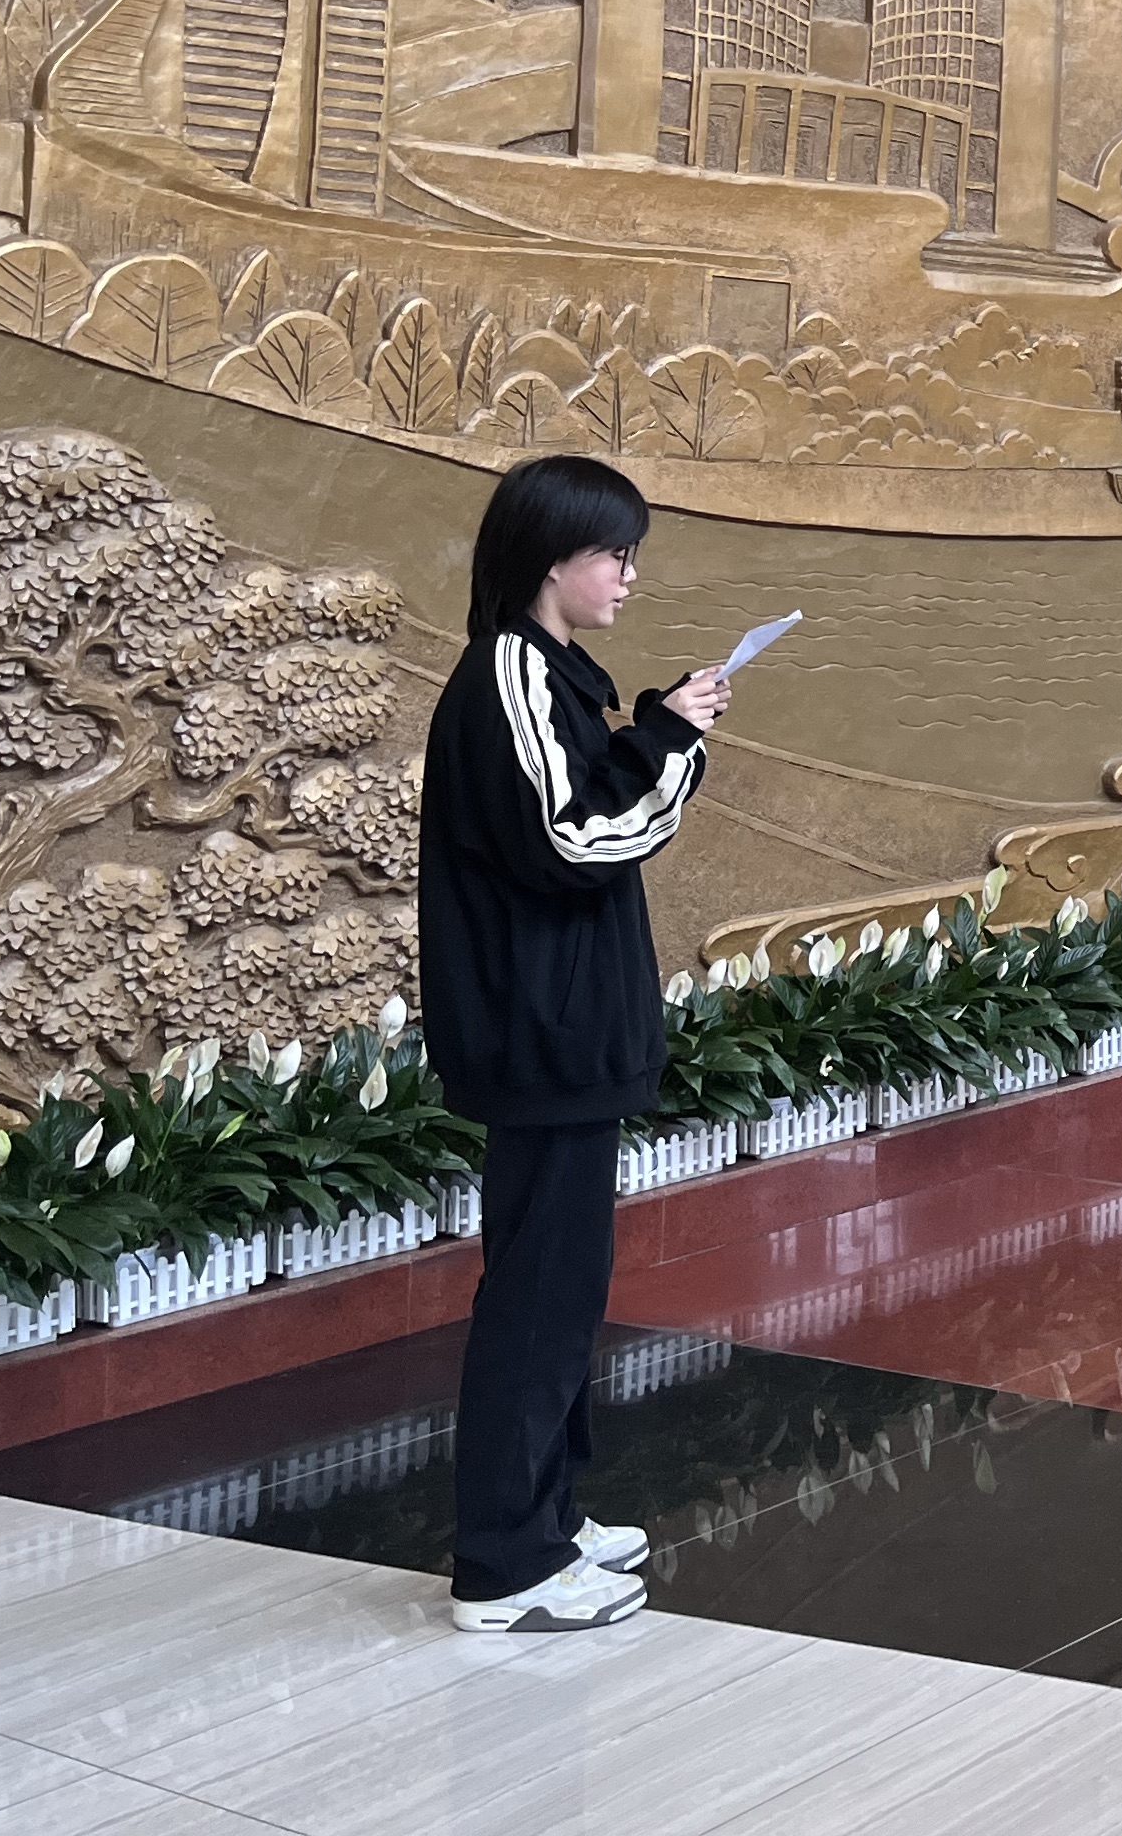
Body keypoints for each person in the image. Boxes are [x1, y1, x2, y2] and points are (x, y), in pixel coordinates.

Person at [423, 454, 732, 1634]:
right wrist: (671, 748)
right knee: (539, 1297)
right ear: (554, 560)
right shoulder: (509, 668)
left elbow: (583, 790)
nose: (629, 576)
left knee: (559, 1288)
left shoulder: (546, 674)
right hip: (539, 1038)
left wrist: (659, 726)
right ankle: (506, 1564)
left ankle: (545, 1514)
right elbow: (574, 840)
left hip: (560, 1039)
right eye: (616, 554)